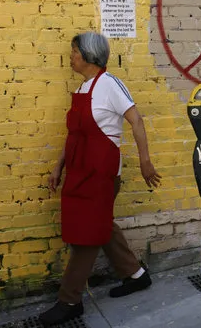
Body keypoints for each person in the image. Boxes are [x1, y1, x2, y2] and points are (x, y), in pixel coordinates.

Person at [39, 32, 162, 326]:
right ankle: (136, 275)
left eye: (73, 52)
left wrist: (145, 162)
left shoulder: (110, 85)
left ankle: (69, 300)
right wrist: (59, 166)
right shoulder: (83, 88)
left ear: (87, 55)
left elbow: (136, 120)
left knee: (87, 236)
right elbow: (74, 135)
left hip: (101, 174)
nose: (70, 57)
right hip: (80, 171)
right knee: (101, 225)